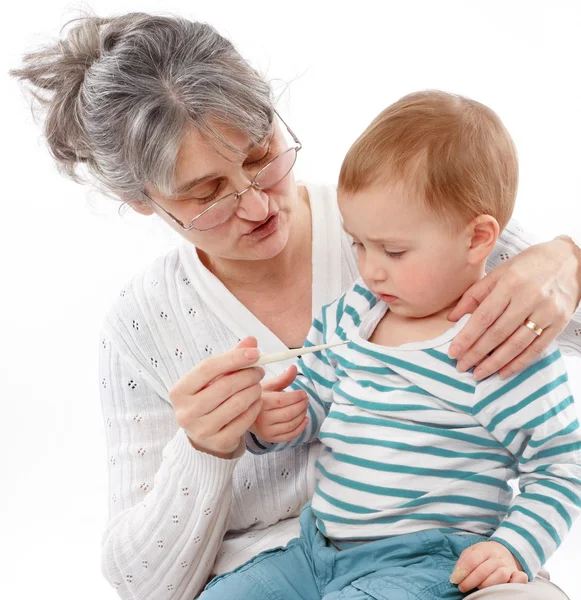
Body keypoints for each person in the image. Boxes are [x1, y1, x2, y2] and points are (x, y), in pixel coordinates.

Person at [10, 12, 581, 600]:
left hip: (435, 562)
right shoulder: (145, 325)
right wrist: (211, 447)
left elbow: (561, 460)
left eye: (262, 156)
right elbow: (144, 586)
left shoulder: (406, 221)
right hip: (298, 556)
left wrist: (569, 262)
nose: (257, 206)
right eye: (206, 194)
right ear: (142, 200)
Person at [198, 90, 581, 600]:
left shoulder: (500, 349)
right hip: (317, 549)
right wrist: (273, 420)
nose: (371, 269)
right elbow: (314, 399)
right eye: (358, 244)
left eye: (394, 251)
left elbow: (561, 466)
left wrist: (514, 548)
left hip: (422, 563)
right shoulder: (356, 314)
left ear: (477, 239)